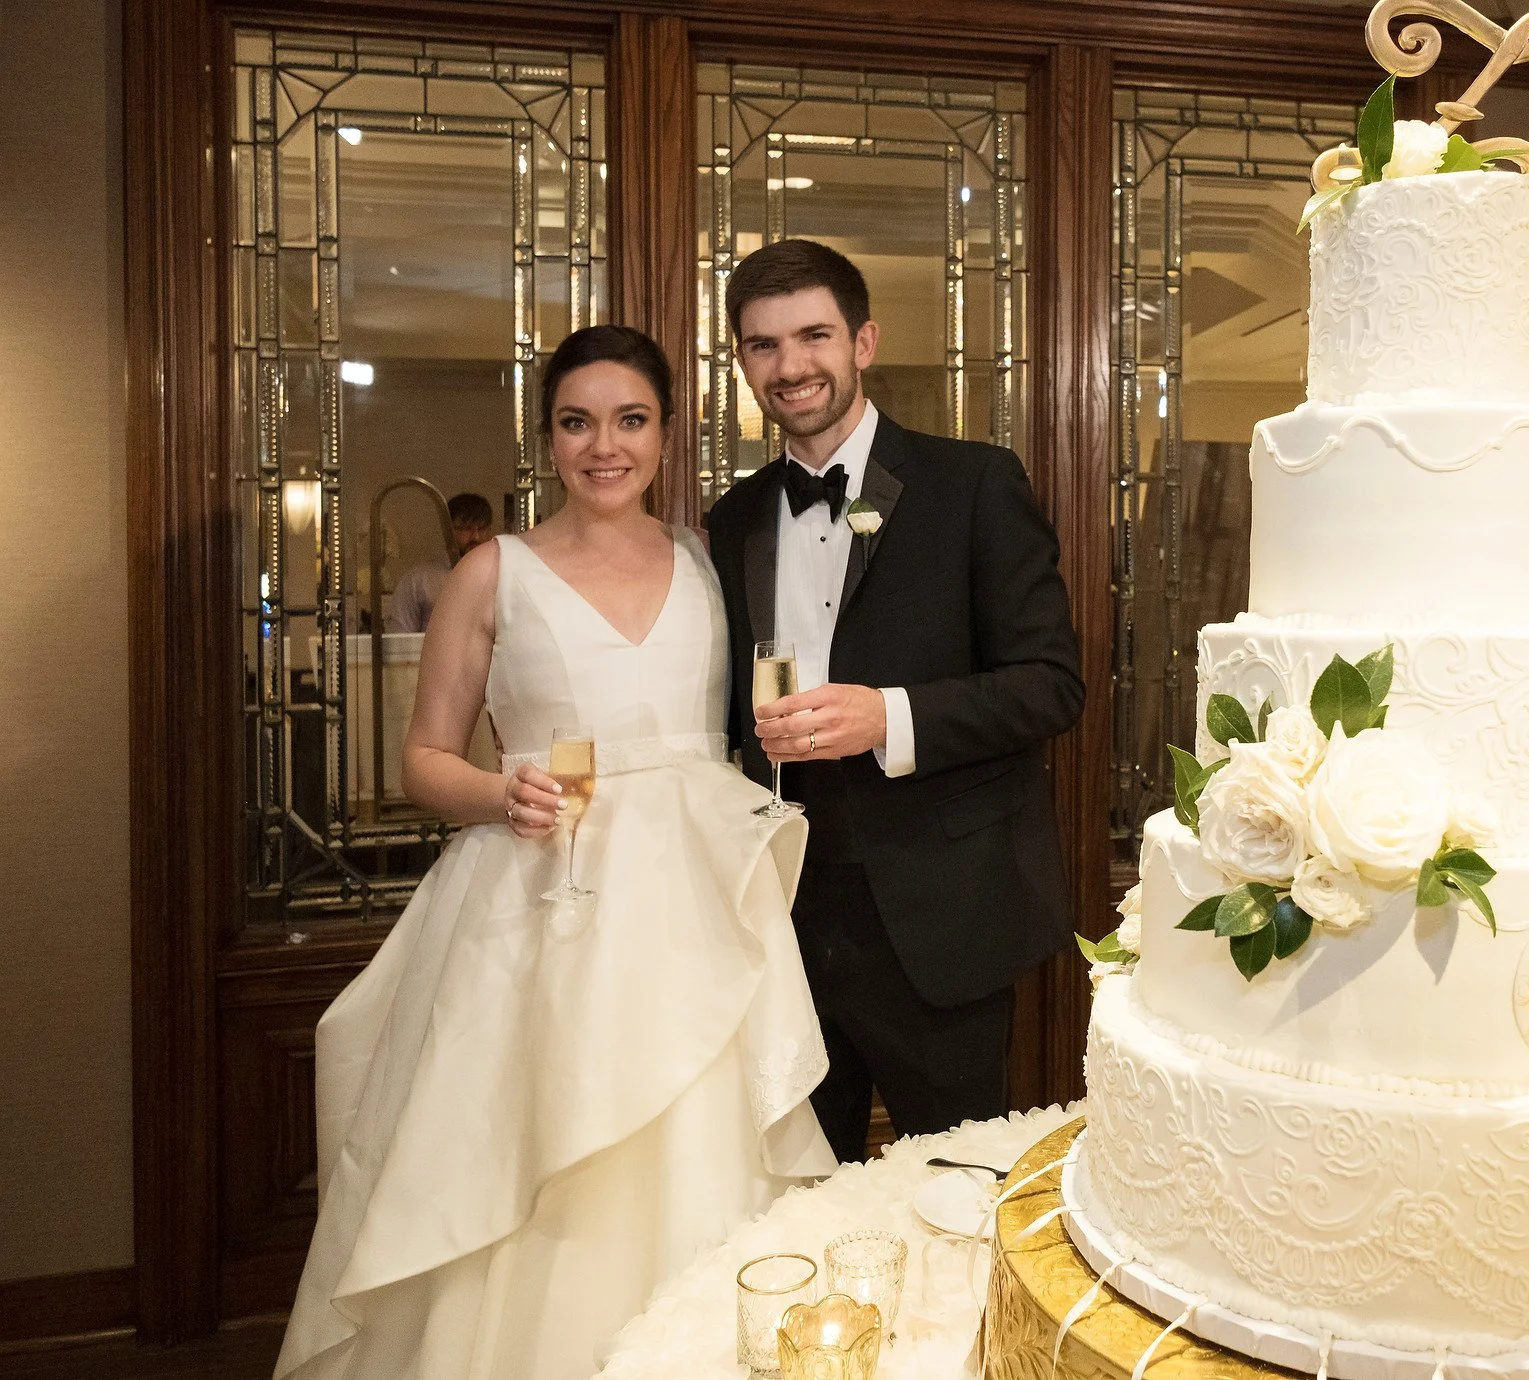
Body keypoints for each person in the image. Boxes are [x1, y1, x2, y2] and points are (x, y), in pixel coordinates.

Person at [276, 326, 835, 1380]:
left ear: (669, 432)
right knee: (541, 1147)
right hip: (544, 899)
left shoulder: (712, 562)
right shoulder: (494, 573)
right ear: (548, 439)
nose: (603, 446)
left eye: (630, 420)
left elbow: (760, 694)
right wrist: (501, 792)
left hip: (692, 908)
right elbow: (423, 762)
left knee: (691, 1140)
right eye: (577, 423)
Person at [706, 240, 1084, 1164]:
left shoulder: (975, 484)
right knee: (801, 1191)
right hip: (784, 921)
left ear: (864, 342)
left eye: (814, 335)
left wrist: (891, 717)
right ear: (744, 364)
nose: (791, 365)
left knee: (954, 1187)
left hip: (939, 917)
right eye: (763, 345)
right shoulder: (734, 518)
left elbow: (1052, 684)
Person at [383, 491, 495, 634]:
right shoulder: (418, 582)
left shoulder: (501, 577)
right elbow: (399, 641)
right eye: (465, 528)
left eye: (482, 528)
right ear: (448, 529)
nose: (476, 536)